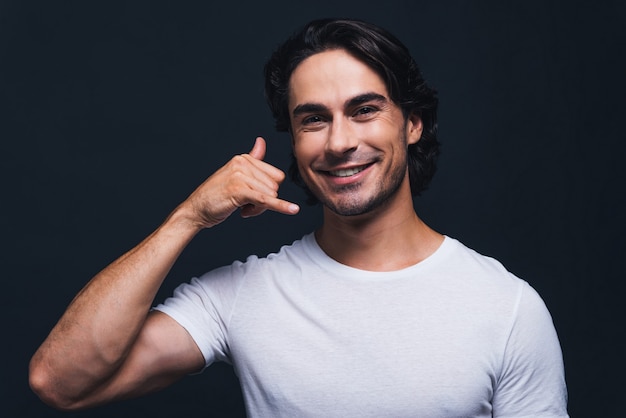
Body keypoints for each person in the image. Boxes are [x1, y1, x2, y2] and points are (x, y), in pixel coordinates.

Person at [29, 18, 568, 417]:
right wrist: (187, 218)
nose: (340, 142)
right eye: (314, 120)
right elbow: (60, 381)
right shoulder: (243, 295)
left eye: (364, 110)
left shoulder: (507, 308)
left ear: (413, 124)